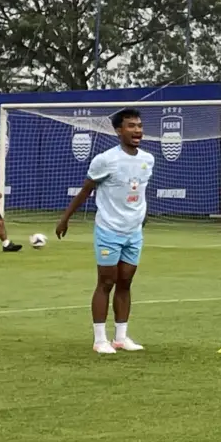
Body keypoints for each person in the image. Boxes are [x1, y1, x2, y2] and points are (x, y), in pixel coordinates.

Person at [56, 108, 151, 354]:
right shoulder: (105, 160)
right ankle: (100, 339)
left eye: (139, 125)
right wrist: (65, 219)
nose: (137, 130)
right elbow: (86, 190)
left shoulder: (148, 159)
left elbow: (138, 191)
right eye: (131, 126)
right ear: (119, 130)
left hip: (133, 232)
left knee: (126, 282)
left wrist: (142, 216)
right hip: (109, 229)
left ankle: (121, 337)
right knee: (106, 281)